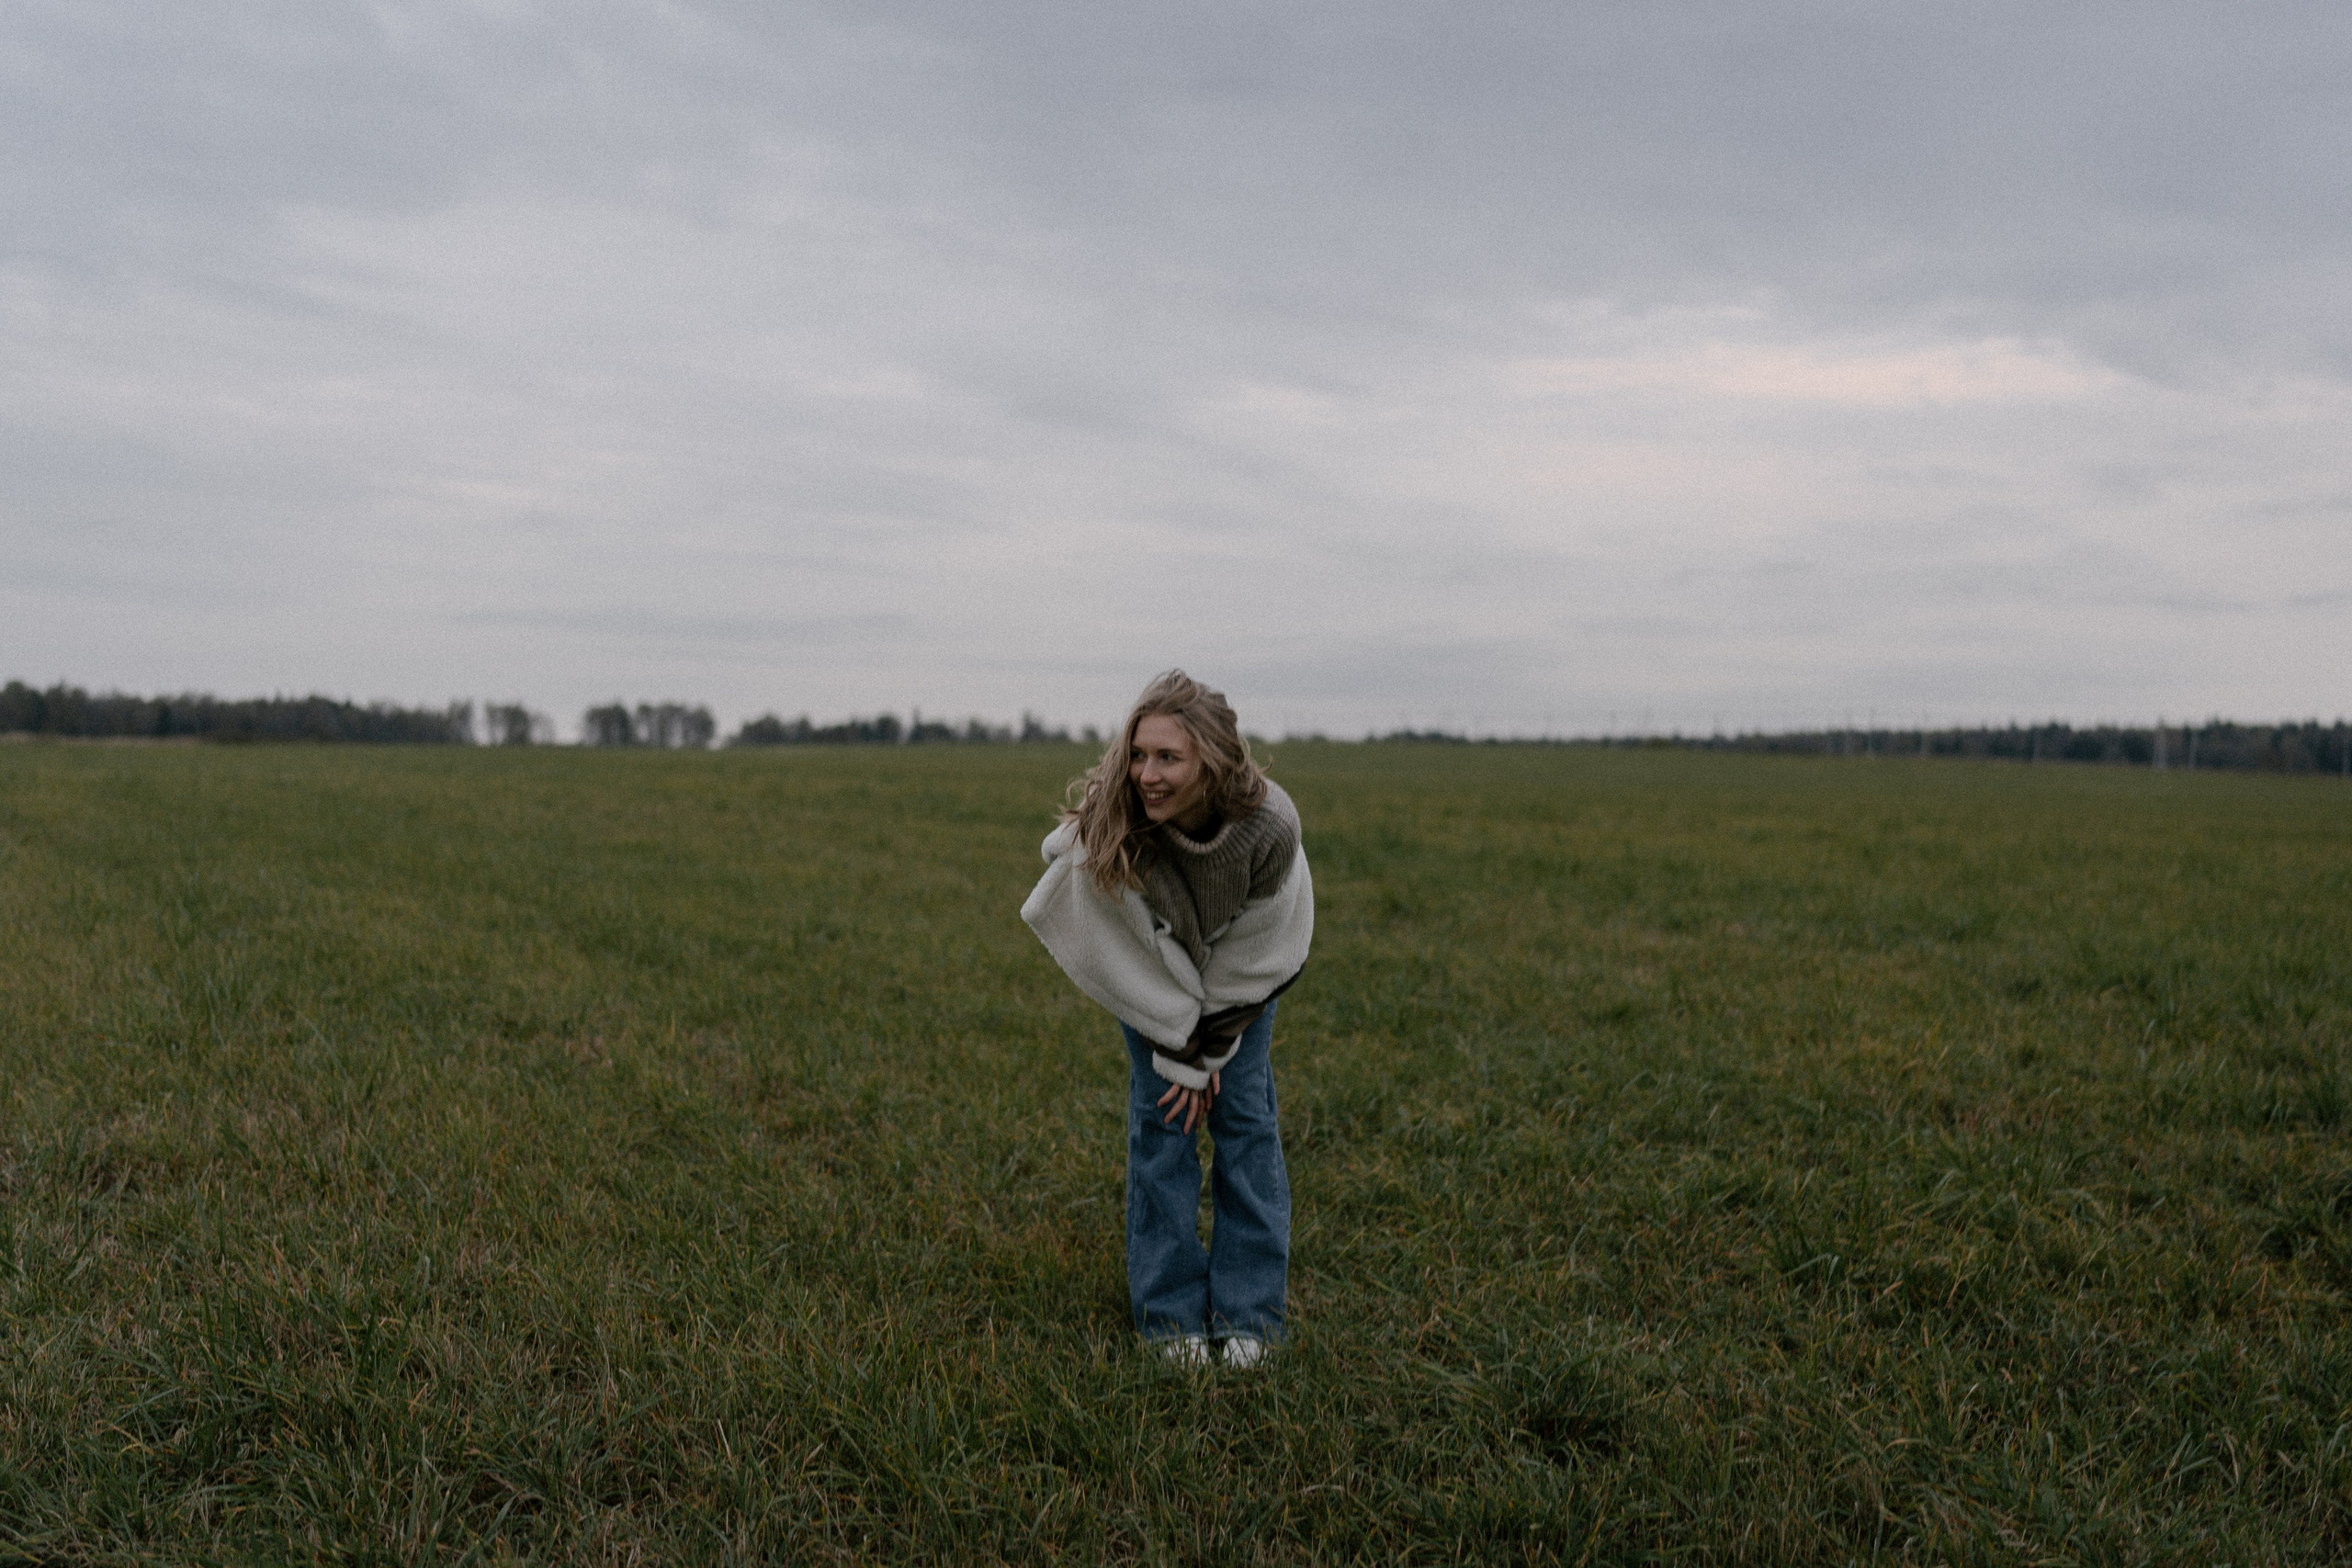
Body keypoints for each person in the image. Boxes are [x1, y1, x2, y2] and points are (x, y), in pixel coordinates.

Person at [1021, 671, 1313, 1369]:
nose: (1146, 774)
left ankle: (1250, 1317)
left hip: (1242, 986)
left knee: (1244, 1123)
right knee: (1164, 1127)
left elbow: (1264, 947)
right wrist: (1177, 1050)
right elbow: (1122, 948)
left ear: (1211, 760)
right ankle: (1170, 1317)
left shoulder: (1269, 826)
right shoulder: (1116, 822)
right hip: (1153, 980)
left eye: (1168, 758)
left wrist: (1206, 1053)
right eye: (1138, 754)